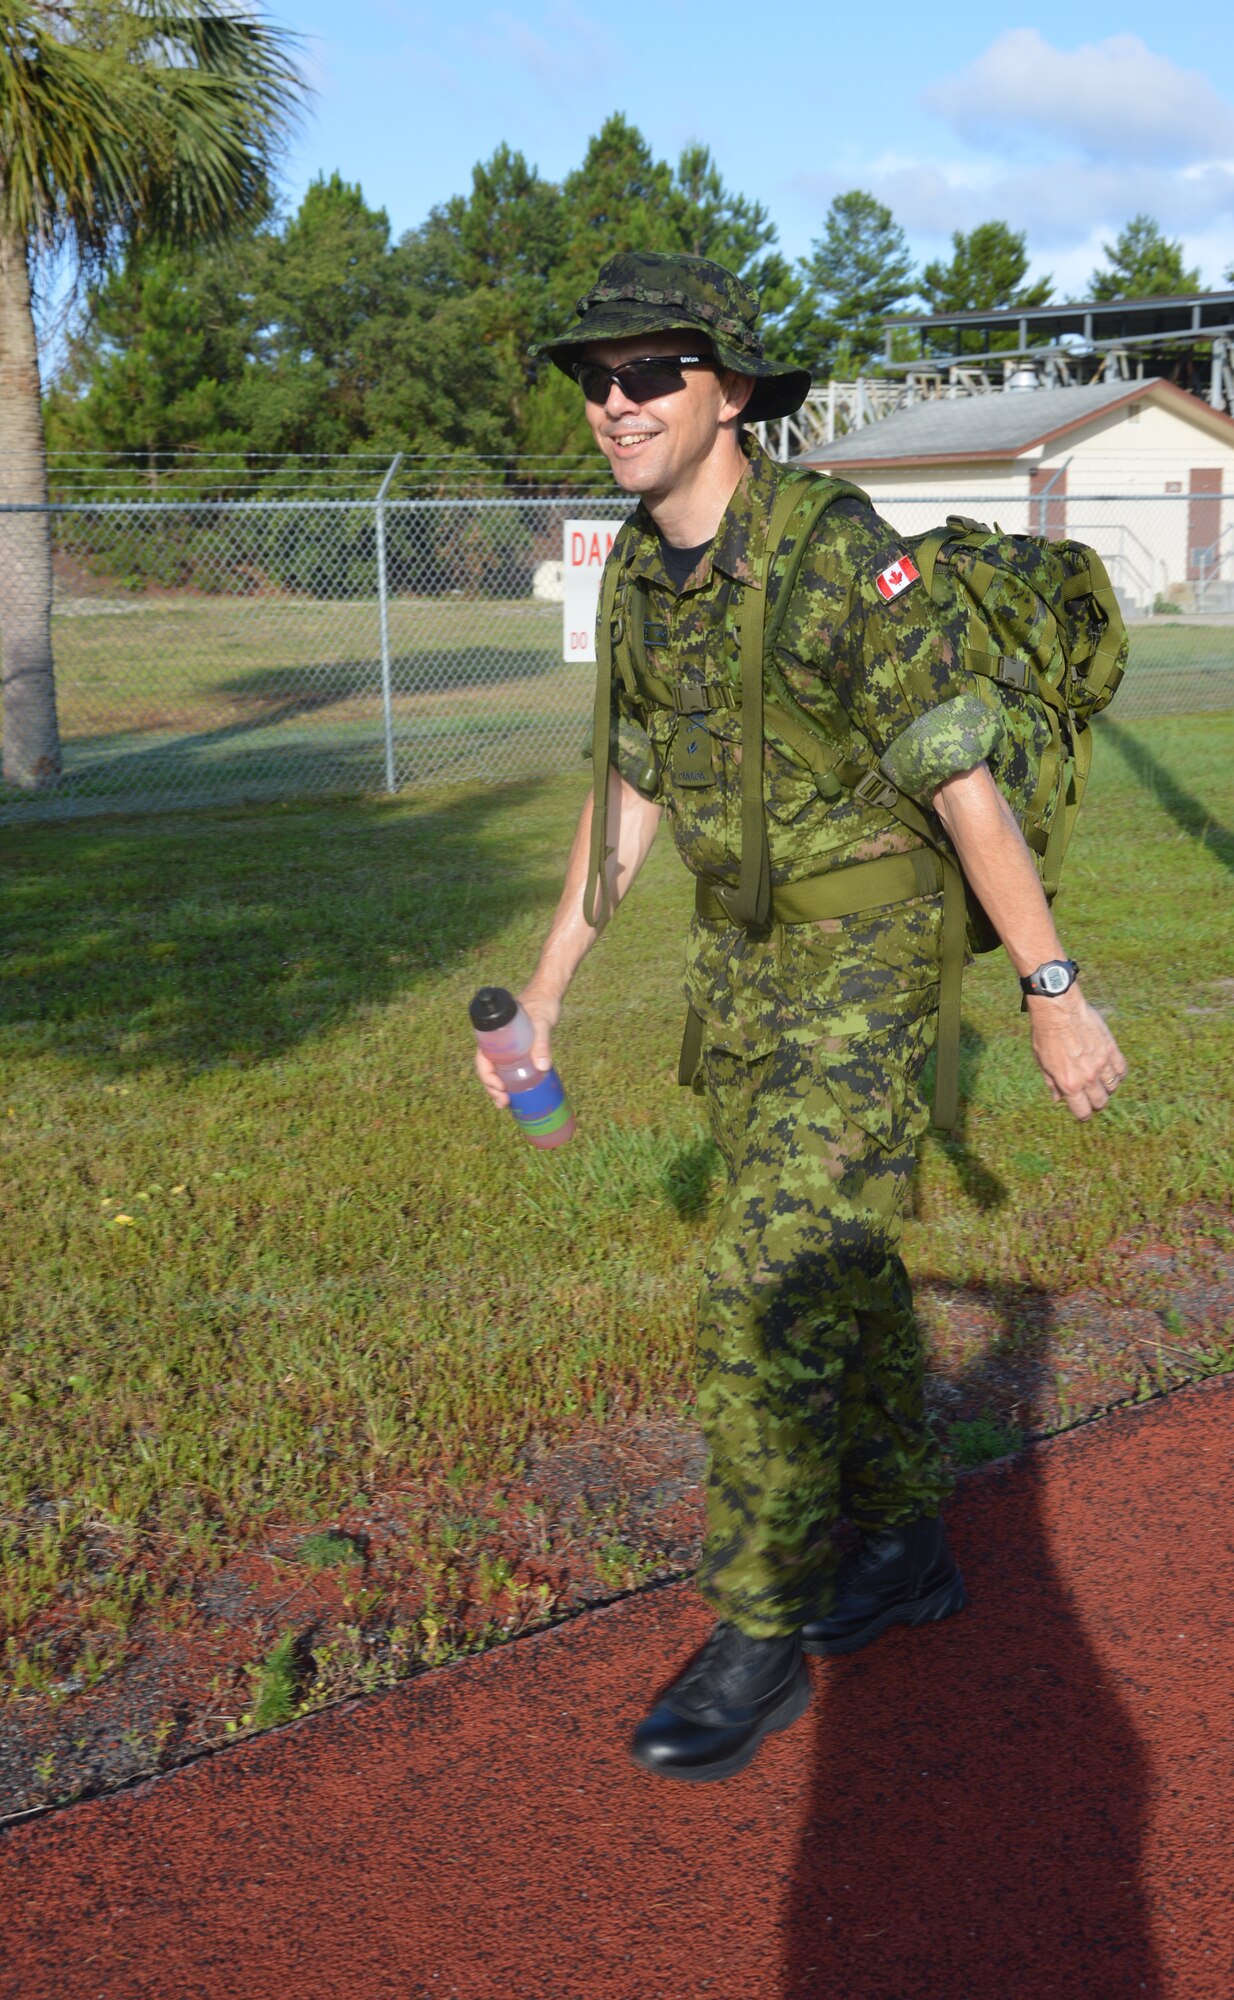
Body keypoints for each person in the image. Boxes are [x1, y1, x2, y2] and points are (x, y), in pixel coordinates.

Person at [474, 251, 1127, 1784]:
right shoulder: (639, 565)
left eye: (649, 374)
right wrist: (547, 994)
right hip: (745, 964)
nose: (613, 404)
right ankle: (902, 1546)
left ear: (732, 391)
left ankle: (755, 1631)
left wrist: (1049, 990)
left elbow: (959, 781)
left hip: (873, 955)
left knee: (763, 1282)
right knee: (839, 1264)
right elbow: (629, 786)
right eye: (594, 378)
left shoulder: (832, 551)